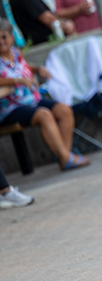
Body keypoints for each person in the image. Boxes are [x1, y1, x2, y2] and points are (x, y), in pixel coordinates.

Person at [0, 19, 90, 170]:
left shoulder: (15, 53)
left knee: (64, 109)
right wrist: (17, 80)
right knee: (44, 115)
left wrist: (37, 68)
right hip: (11, 107)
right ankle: (67, 158)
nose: (1, 42)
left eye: (4, 37)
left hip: (31, 99)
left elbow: (23, 66)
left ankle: (65, 156)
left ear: (11, 37)